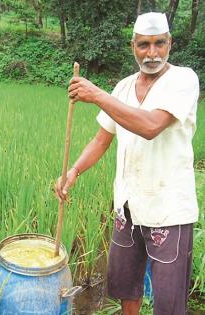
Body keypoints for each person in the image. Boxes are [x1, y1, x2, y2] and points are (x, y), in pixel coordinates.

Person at [56, 12, 200, 315]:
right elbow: (101, 139)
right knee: (126, 288)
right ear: (132, 46)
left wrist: (96, 95)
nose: (152, 53)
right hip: (128, 206)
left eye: (159, 43)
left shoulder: (183, 79)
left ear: (170, 43)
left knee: (169, 303)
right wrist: (74, 171)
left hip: (168, 210)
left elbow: (150, 126)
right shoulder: (123, 88)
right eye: (144, 45)